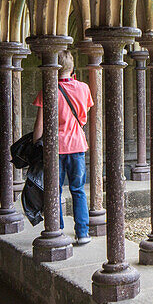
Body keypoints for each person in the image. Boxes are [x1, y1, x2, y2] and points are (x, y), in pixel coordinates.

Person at [33, 50, 94, 245]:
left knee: (54, 190)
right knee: (78, 190)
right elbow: (84, 115)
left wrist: (35, 145)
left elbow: (40, 124)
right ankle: (82, 233)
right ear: (72, 67)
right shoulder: (84, 88)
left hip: (55, 148)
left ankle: (56, 229)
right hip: (76, 146)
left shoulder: (47, 90)